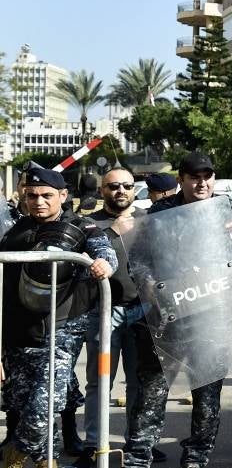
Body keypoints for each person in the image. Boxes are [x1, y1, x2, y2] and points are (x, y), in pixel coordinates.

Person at [0, 168, 116, 467]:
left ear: (63, 196)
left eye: (47, 195)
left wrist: (103, 262)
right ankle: (45, 461)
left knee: (42, 409)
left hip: (60, 334)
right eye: (32, 196)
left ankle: (16, 451)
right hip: (18, 333)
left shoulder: (81, 226)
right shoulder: (14, 229)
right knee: (21, 405)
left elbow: (104, 251)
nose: (38, 201)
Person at [120, 152, 226, 468]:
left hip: (210, 322)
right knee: (150, 395)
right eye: (195, 176)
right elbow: (136, 260)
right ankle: (139, 456)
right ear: (181, 179)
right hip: (165, 322)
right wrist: (149, 284)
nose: (202, 182)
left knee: (207, 400)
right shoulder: (158, 214)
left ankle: (196, 457)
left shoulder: (223, 212)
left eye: (207, 176)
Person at [75, 169, 168, 467]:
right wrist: (114, 232)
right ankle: (94, 445)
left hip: (142, 312)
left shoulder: (149, 219)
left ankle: (139, 442)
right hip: (103, 313)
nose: (121, 191)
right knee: (100, 381)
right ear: (103, 190)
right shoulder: (89, 223)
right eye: (113, 186)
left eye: (127, 186)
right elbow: (87, 260)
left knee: (139, 384)